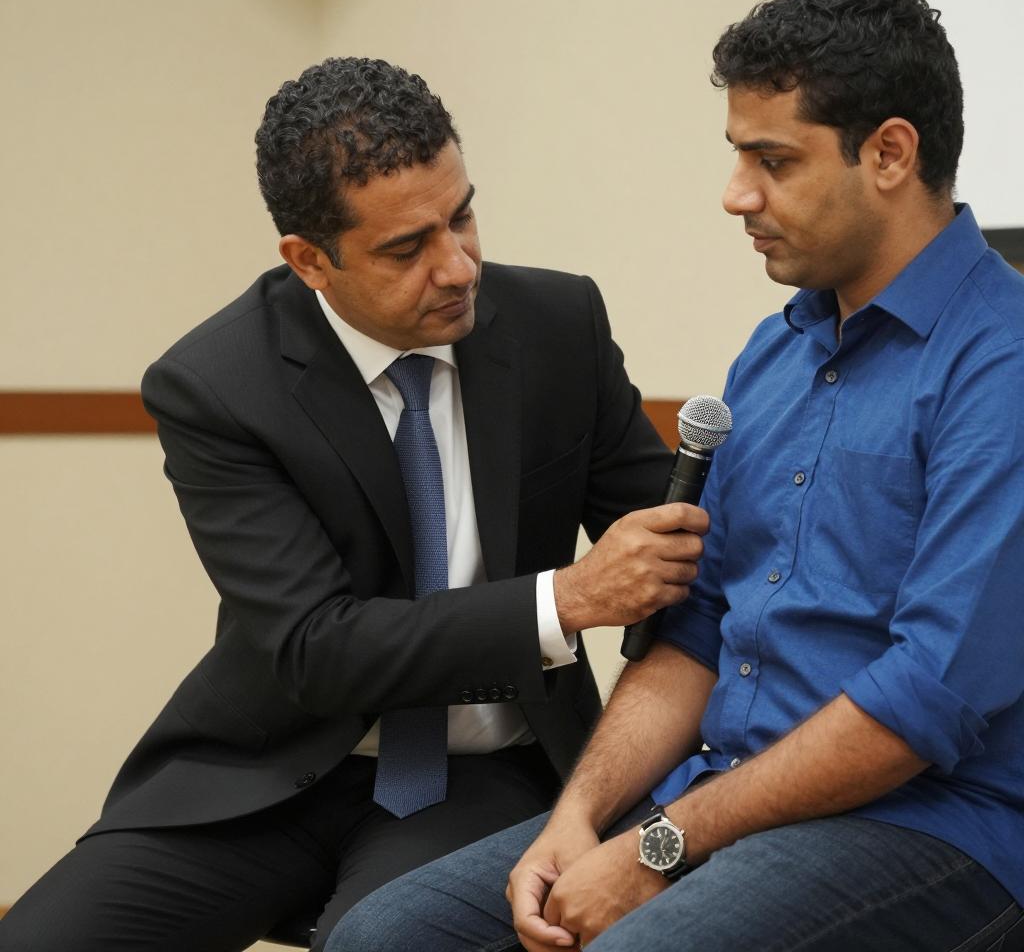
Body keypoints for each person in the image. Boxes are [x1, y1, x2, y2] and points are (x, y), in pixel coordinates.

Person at [324, 0, 1024, 952]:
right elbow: (693, 634)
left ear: (890, 154)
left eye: (772, 161)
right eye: (738, 156)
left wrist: (661, 845)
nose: (737, 194)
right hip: (716, 798)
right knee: (386, 937)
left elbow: (920, 703)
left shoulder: (1002, 360)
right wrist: (578, 818)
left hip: (925, 823)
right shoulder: (773, 352)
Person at [0, 58, 706, 952]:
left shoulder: (558, 327)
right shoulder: (217, 385)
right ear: (310, 261)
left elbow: (680, 558)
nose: (458, 267)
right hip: (264, 771)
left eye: (462, 217)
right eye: (407, 250)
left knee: (379, 942)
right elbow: (316, 647)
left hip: (485, 769)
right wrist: (562, 600)